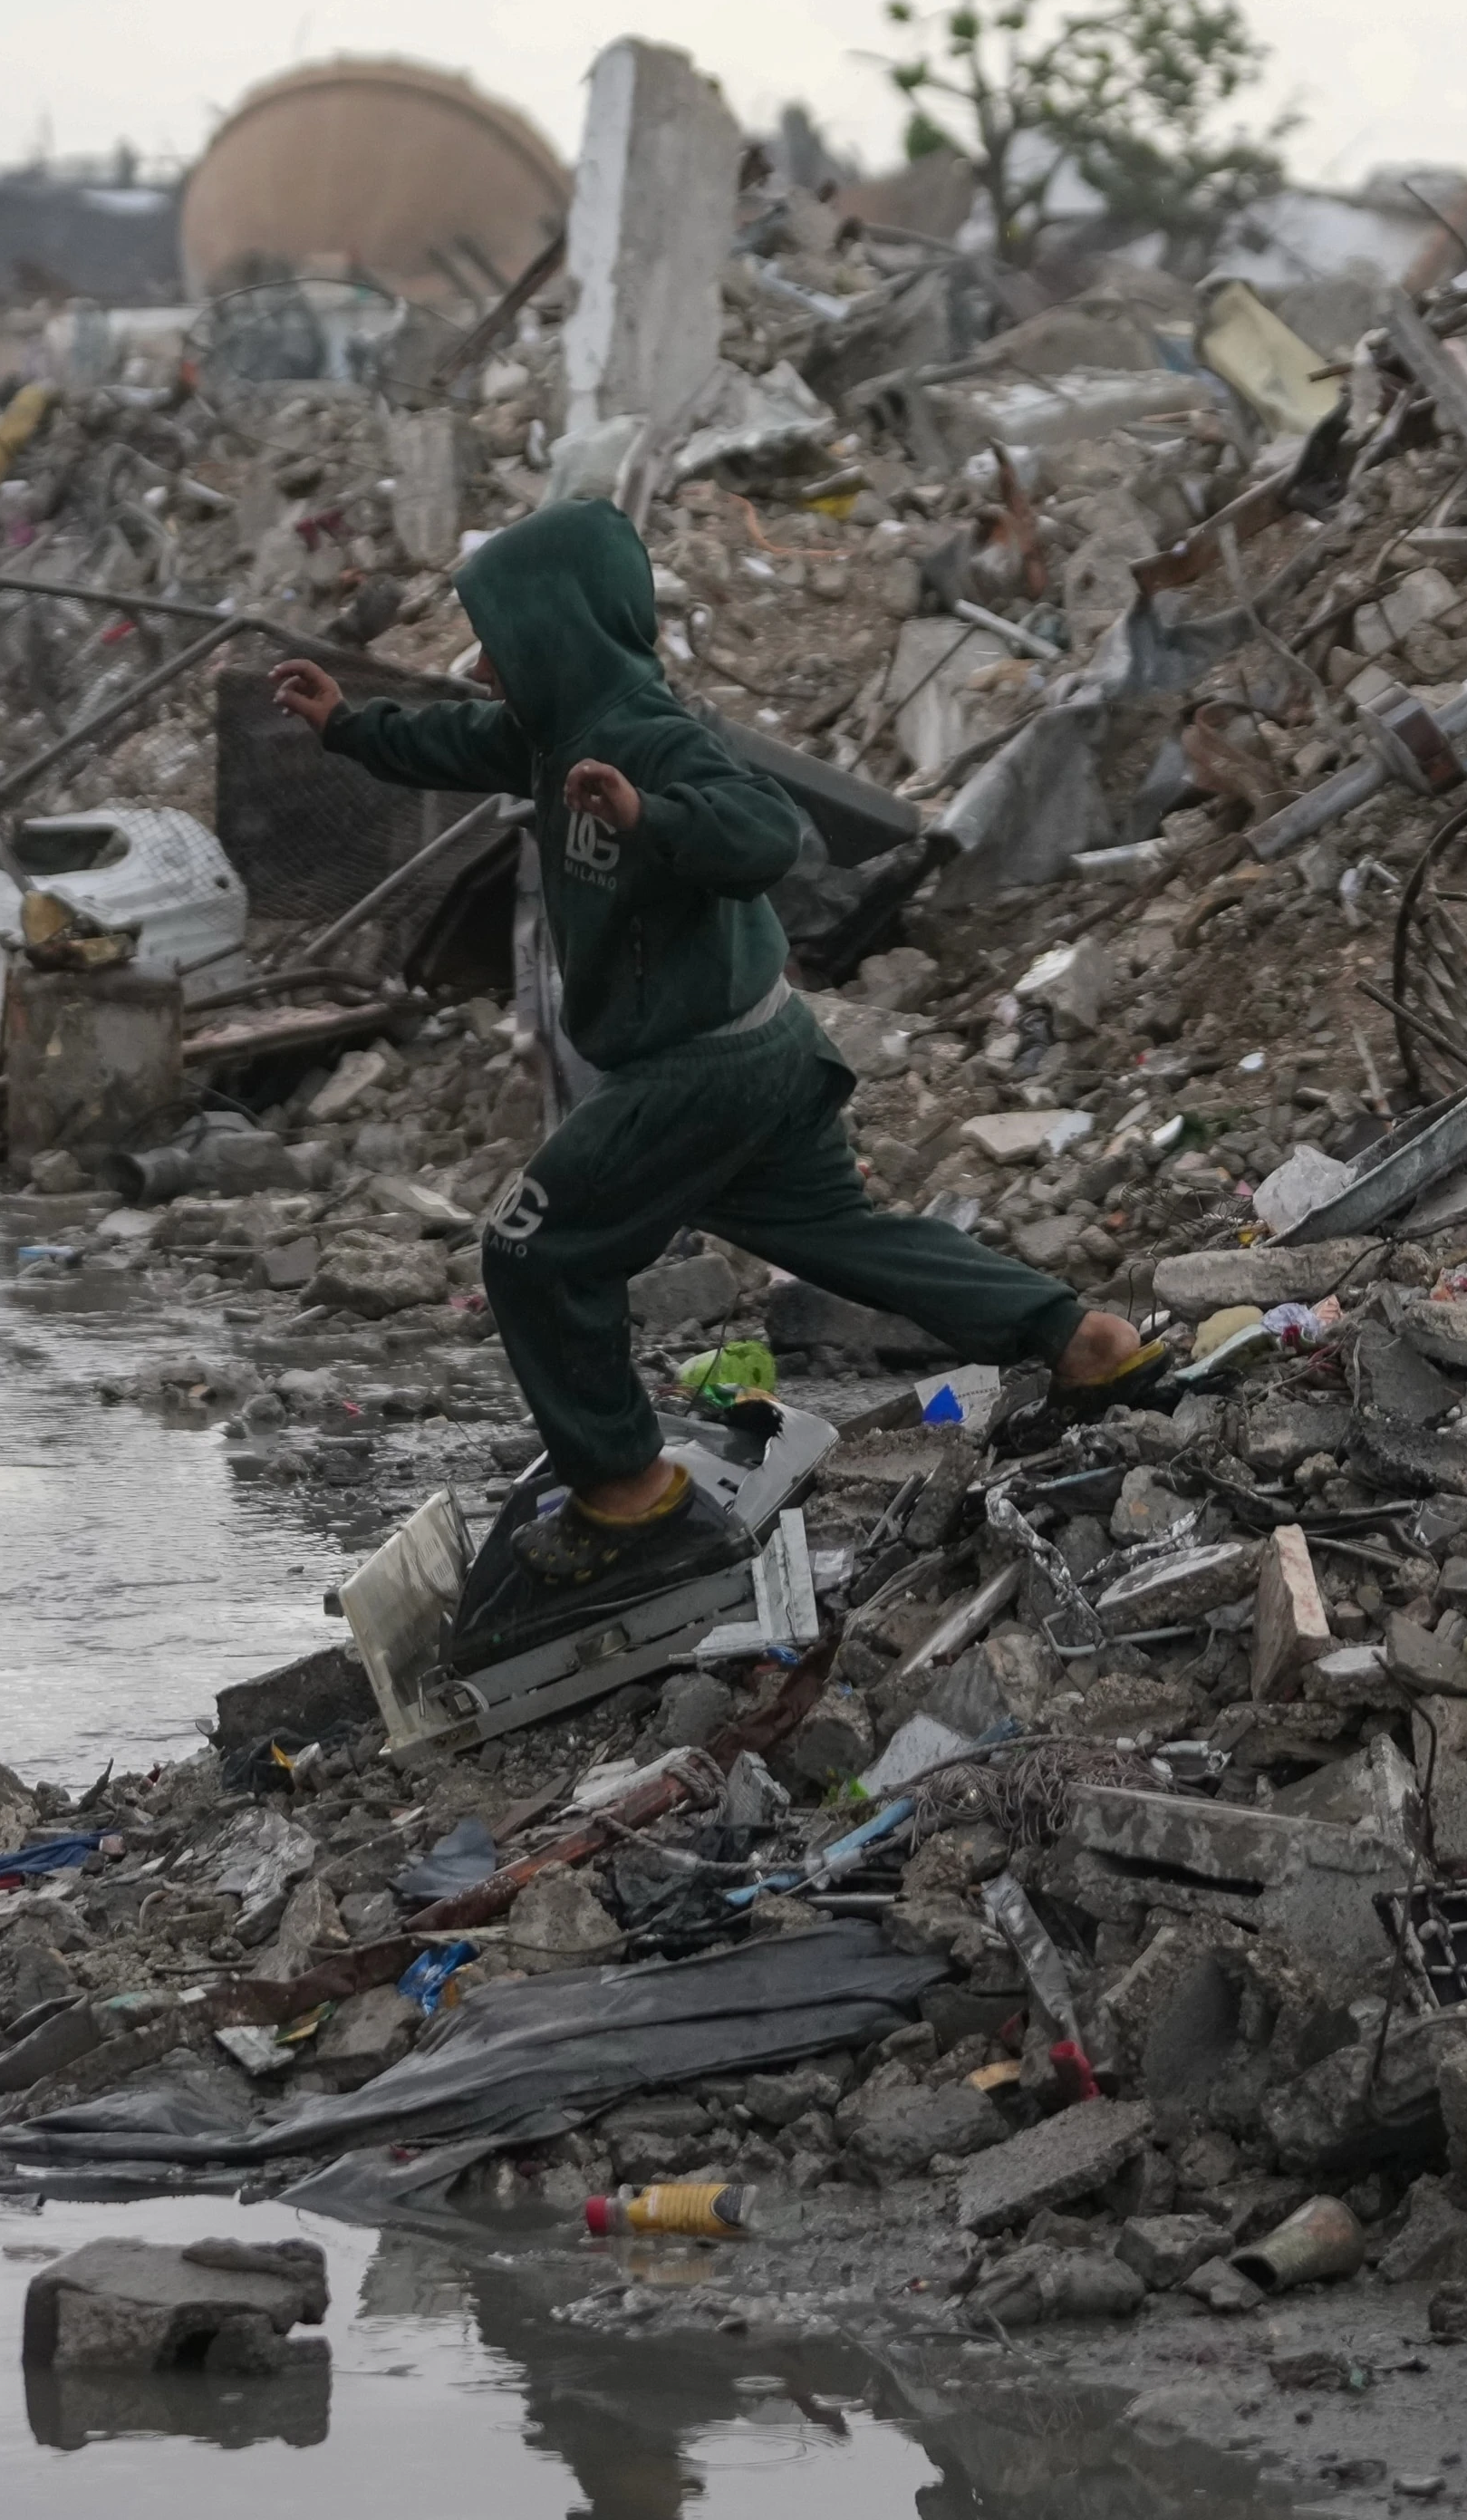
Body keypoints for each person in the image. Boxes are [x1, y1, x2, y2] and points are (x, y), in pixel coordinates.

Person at [272, 496, 1157, 1655]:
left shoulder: (642, 728)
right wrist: (348, 726)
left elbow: (763, 833)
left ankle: (630, 1499)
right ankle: (1081, 1339)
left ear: (562, 631)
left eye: (497, 635)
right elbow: (450, 742)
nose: (480, 661)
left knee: (532, 1248)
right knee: (843, 1234)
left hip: (707, 1064)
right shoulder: (548, 725)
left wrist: (649, 815)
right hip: (768, 1042)